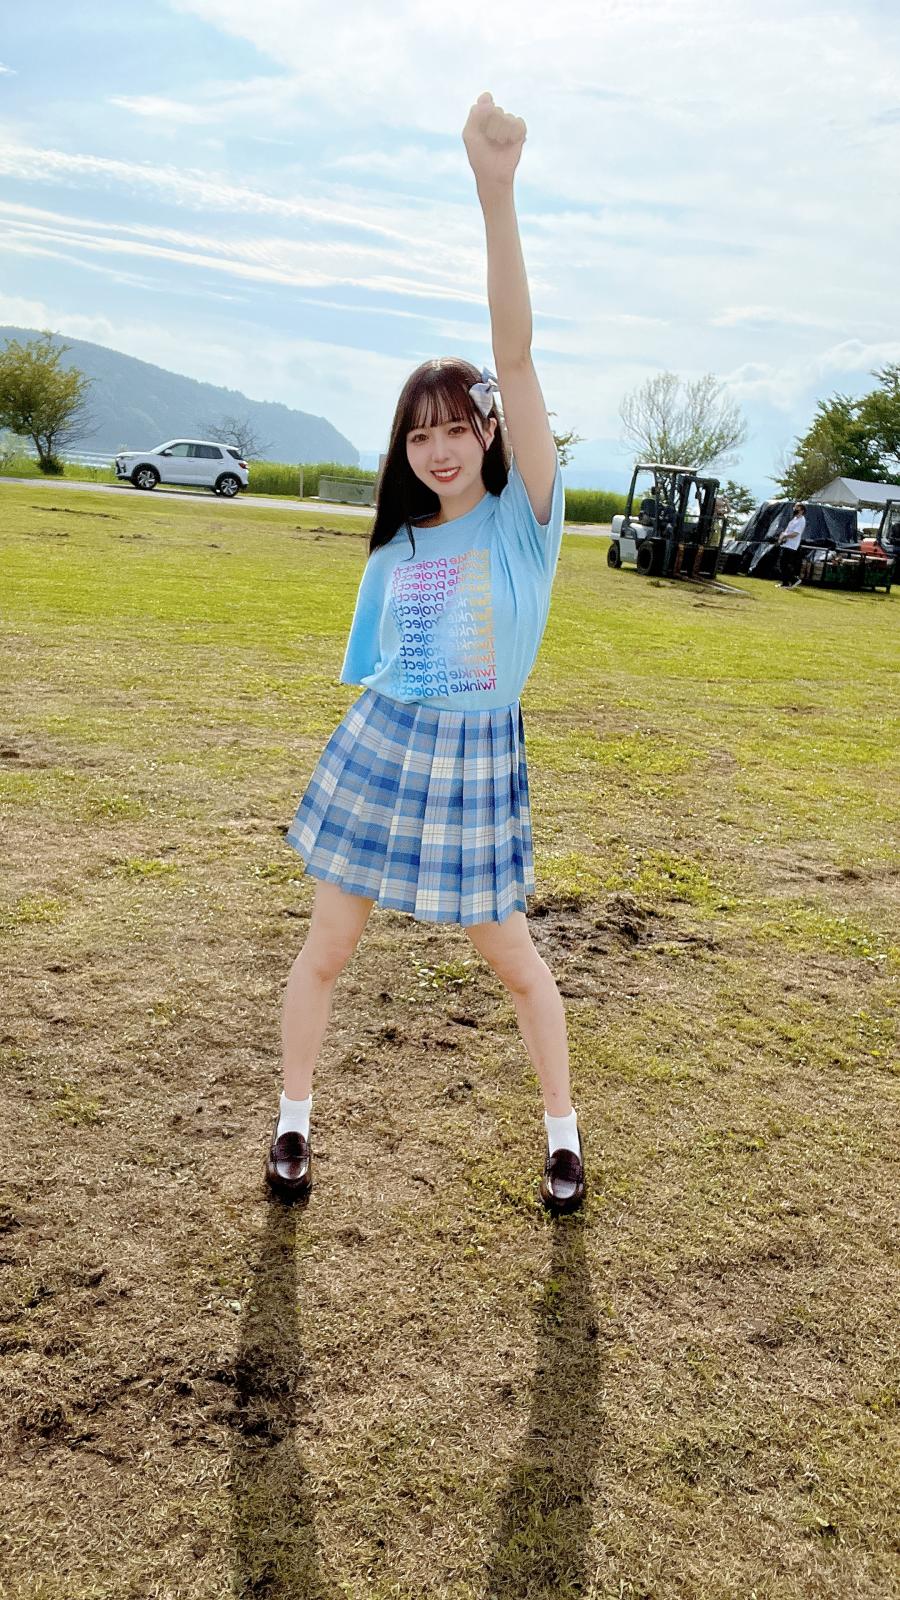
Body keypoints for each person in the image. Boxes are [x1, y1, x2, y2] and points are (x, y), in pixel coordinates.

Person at [264, 92, 585, 1216]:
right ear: (403, 448)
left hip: (476, 764)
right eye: (420, 431)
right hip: (387, 749)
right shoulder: (396, 549)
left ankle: (562, 1138)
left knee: (517, 963)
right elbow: (380, 675)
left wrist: (495, 192)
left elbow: (515, 353)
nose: (440, 447)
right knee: (326, 949)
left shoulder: (524, 521)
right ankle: (292, 1125)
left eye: (456, 426)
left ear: (488, 432)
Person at [777, 502, 806, 587]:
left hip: (791, 545)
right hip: (786, 544)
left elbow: (795, 534)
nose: (795, 509)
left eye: (797, 508)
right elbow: (787, 531)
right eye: (794, 507)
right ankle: (785, 583)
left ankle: (794, 580)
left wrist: (785, 536)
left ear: (802, 511)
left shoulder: (801, 520)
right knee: (783, 564)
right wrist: (782, 537)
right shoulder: (794, 519)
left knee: (784, 564)